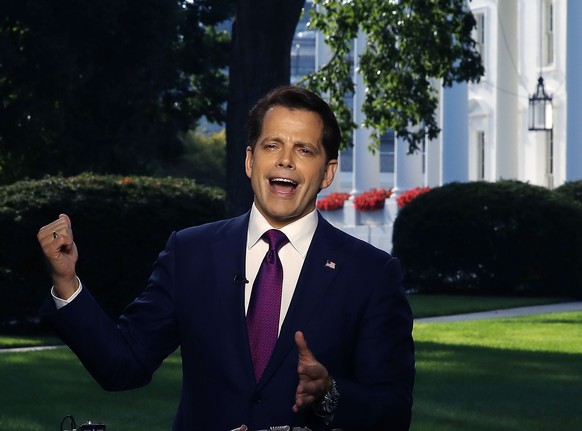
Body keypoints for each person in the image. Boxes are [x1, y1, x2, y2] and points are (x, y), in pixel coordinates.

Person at [37, 85, 415, 431]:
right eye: (272, 145)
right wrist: (66, 282)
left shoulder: (370, 274)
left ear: (328, 172)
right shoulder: (190, 253)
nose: (285, 160)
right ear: (250, 161)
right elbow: (123, 366)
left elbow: (394, 412)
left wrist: (330, 393)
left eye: (304, 150)